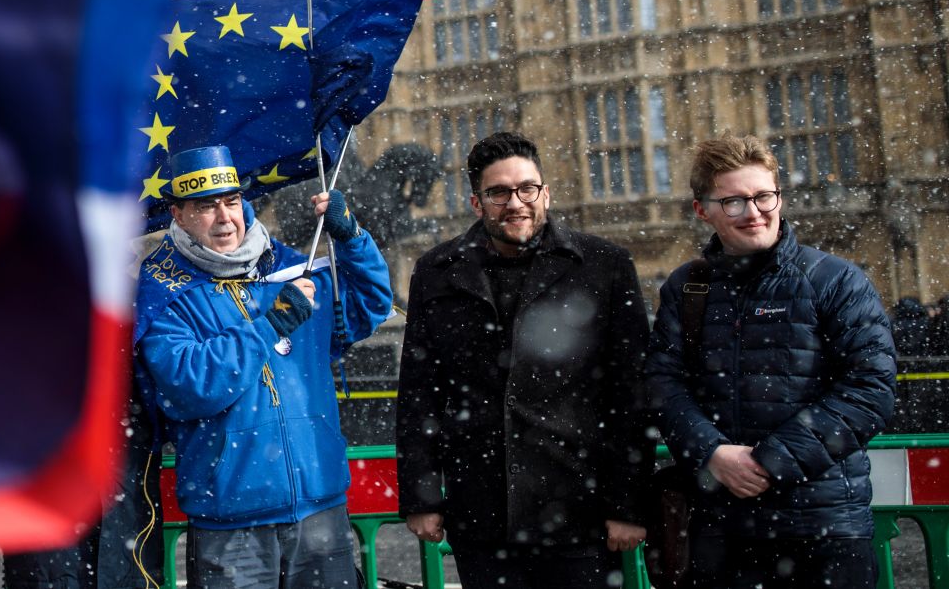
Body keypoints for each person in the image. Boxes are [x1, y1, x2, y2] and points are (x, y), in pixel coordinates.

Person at [394, 131, 654, 588]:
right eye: (498, 192)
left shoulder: (604, 265)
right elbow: (420, 391)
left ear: (545, 193)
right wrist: (422, 496)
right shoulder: (437, 272)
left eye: (526, 189)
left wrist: (627, 506)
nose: (515, 203)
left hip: (579, 508)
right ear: (477, 203)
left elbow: (631, 392)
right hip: (482, 513)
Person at [134, 145, 394, 589]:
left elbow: (367, 308)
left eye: (231, 202)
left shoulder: (289, 268)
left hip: (320, 508)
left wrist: (351, 239)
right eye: (205, 207)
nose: (224, 218)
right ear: (178, 214)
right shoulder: (162, 293)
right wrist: (269, 325)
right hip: (231, 518)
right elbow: (192, 386)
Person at [646, 135, 895, 589]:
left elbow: (871, 392)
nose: (755, 212)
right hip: (723, 526)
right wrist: (713, 454)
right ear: (704, 210)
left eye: (764, 196)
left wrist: (769, 461)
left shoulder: (837, 280)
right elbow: (663, 385)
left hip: (824, 526)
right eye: (735, 202)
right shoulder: (688, 287)